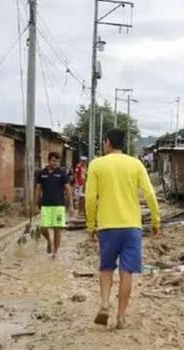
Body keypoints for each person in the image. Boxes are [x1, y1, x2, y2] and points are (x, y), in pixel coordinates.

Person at [85, 129, 161, 330]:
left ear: (107, 142)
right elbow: (150, 194)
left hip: (107, 227)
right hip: (131, 227)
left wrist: (91, 224)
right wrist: (156, 220)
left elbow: (90, 198)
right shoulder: (136, 164)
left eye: (103, 142)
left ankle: (103, 305)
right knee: (126, 272)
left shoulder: (96, 165)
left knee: (106, 268)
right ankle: (120, 317)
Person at [34, 152, 72, 258]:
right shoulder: (42, 173)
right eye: (54, 161)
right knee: (43, 228)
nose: (55, 163)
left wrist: (71, 205)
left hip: (59, 205)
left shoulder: (62, 173)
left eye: (57, 161)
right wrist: (35, 204)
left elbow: (68, 189)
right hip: (45, 205)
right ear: (49, 160)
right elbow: (38, 189)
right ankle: (49, 240)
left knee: (57, 229)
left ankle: (55, 251)